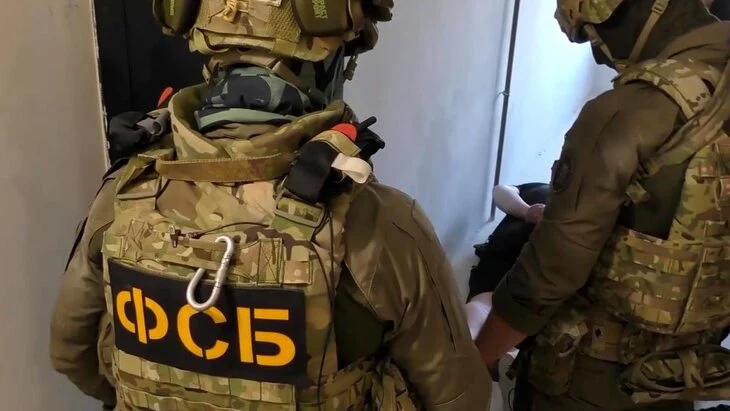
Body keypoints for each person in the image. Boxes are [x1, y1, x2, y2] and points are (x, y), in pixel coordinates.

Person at [48, 1, 492, 410]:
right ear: (329, 63)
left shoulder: (126, 193)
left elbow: (72, 355)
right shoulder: (379, 222)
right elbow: (460, 398)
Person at [474, 0, 730, 410]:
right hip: (682, 374)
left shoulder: (626, 113)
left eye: (593, 35)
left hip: (595, 379)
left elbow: (547, 276)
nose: (598, 55)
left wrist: (479, 359)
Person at [466, 183, 548, 338]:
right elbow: (500, 191)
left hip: (540, 283)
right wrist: (527, 211)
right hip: (504, 266)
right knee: (481, 310)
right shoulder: (543, 190)